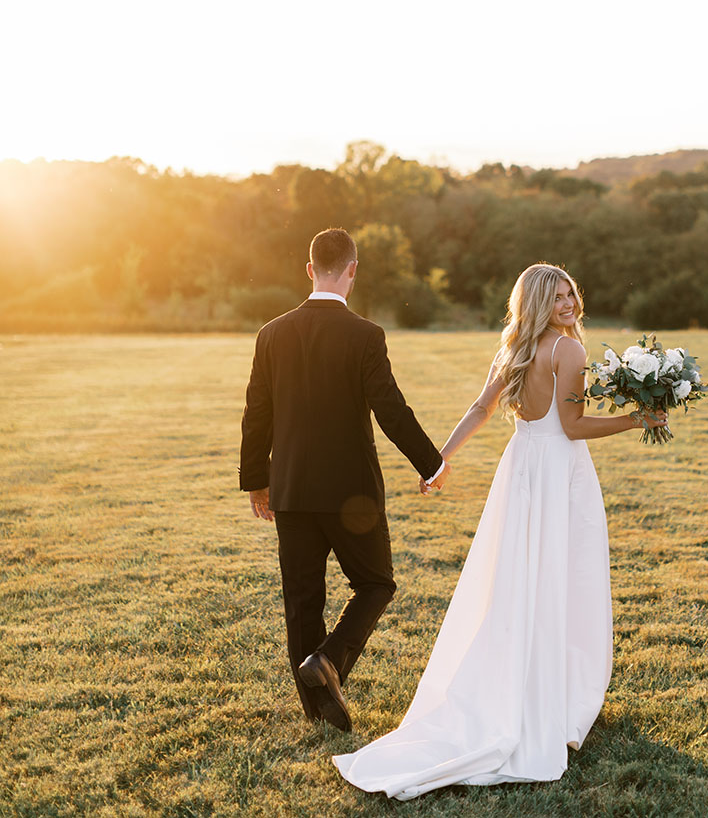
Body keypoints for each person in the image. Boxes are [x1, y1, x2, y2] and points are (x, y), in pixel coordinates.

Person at [333, 262, 667, 799]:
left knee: (518, 584)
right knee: (563, 578)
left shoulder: (515, 348)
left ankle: (530, 687)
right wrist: (638, 419)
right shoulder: (568, 351)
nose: (569, 305)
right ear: (536, 301)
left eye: (571, 294)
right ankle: (553, 700)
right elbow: (574, 426)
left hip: (521, 472)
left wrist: (439, 459)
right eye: (557, 297)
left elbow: (481, 409)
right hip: (558, 474)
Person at [240, 227, 450, 732]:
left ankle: (317, 707)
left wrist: (257, 481)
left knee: (302, 601)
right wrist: (432, 463)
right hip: (350, 495)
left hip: (289, 491)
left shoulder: (271, 333)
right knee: (376, 583)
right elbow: (391, 412)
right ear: (352, 270)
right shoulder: (366, 335)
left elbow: (256, 414)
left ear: (310, 269)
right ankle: (329, 664)